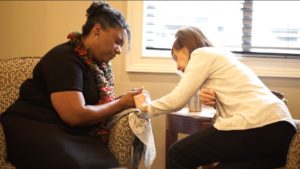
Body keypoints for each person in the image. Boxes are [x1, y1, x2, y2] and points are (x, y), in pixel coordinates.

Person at [0, 2, 143, 169]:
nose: (119, 50)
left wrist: (124, 100)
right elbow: (74, 115)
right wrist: (120, 103)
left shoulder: (97, 67)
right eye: (118, 41)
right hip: (33, 125)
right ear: (97, 30)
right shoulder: (64, 58)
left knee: (110, 165)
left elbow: (96, 107)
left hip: (68, 132)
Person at [136, 26, 296, 169]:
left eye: (176, 58)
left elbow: (177, 100)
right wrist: (216, 103)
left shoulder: (201, 54)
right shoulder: (221, 58)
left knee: (177, 154)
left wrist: (146, 107)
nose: (177, 66)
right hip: (281, 134)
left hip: (263, 125)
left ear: (186, 47)